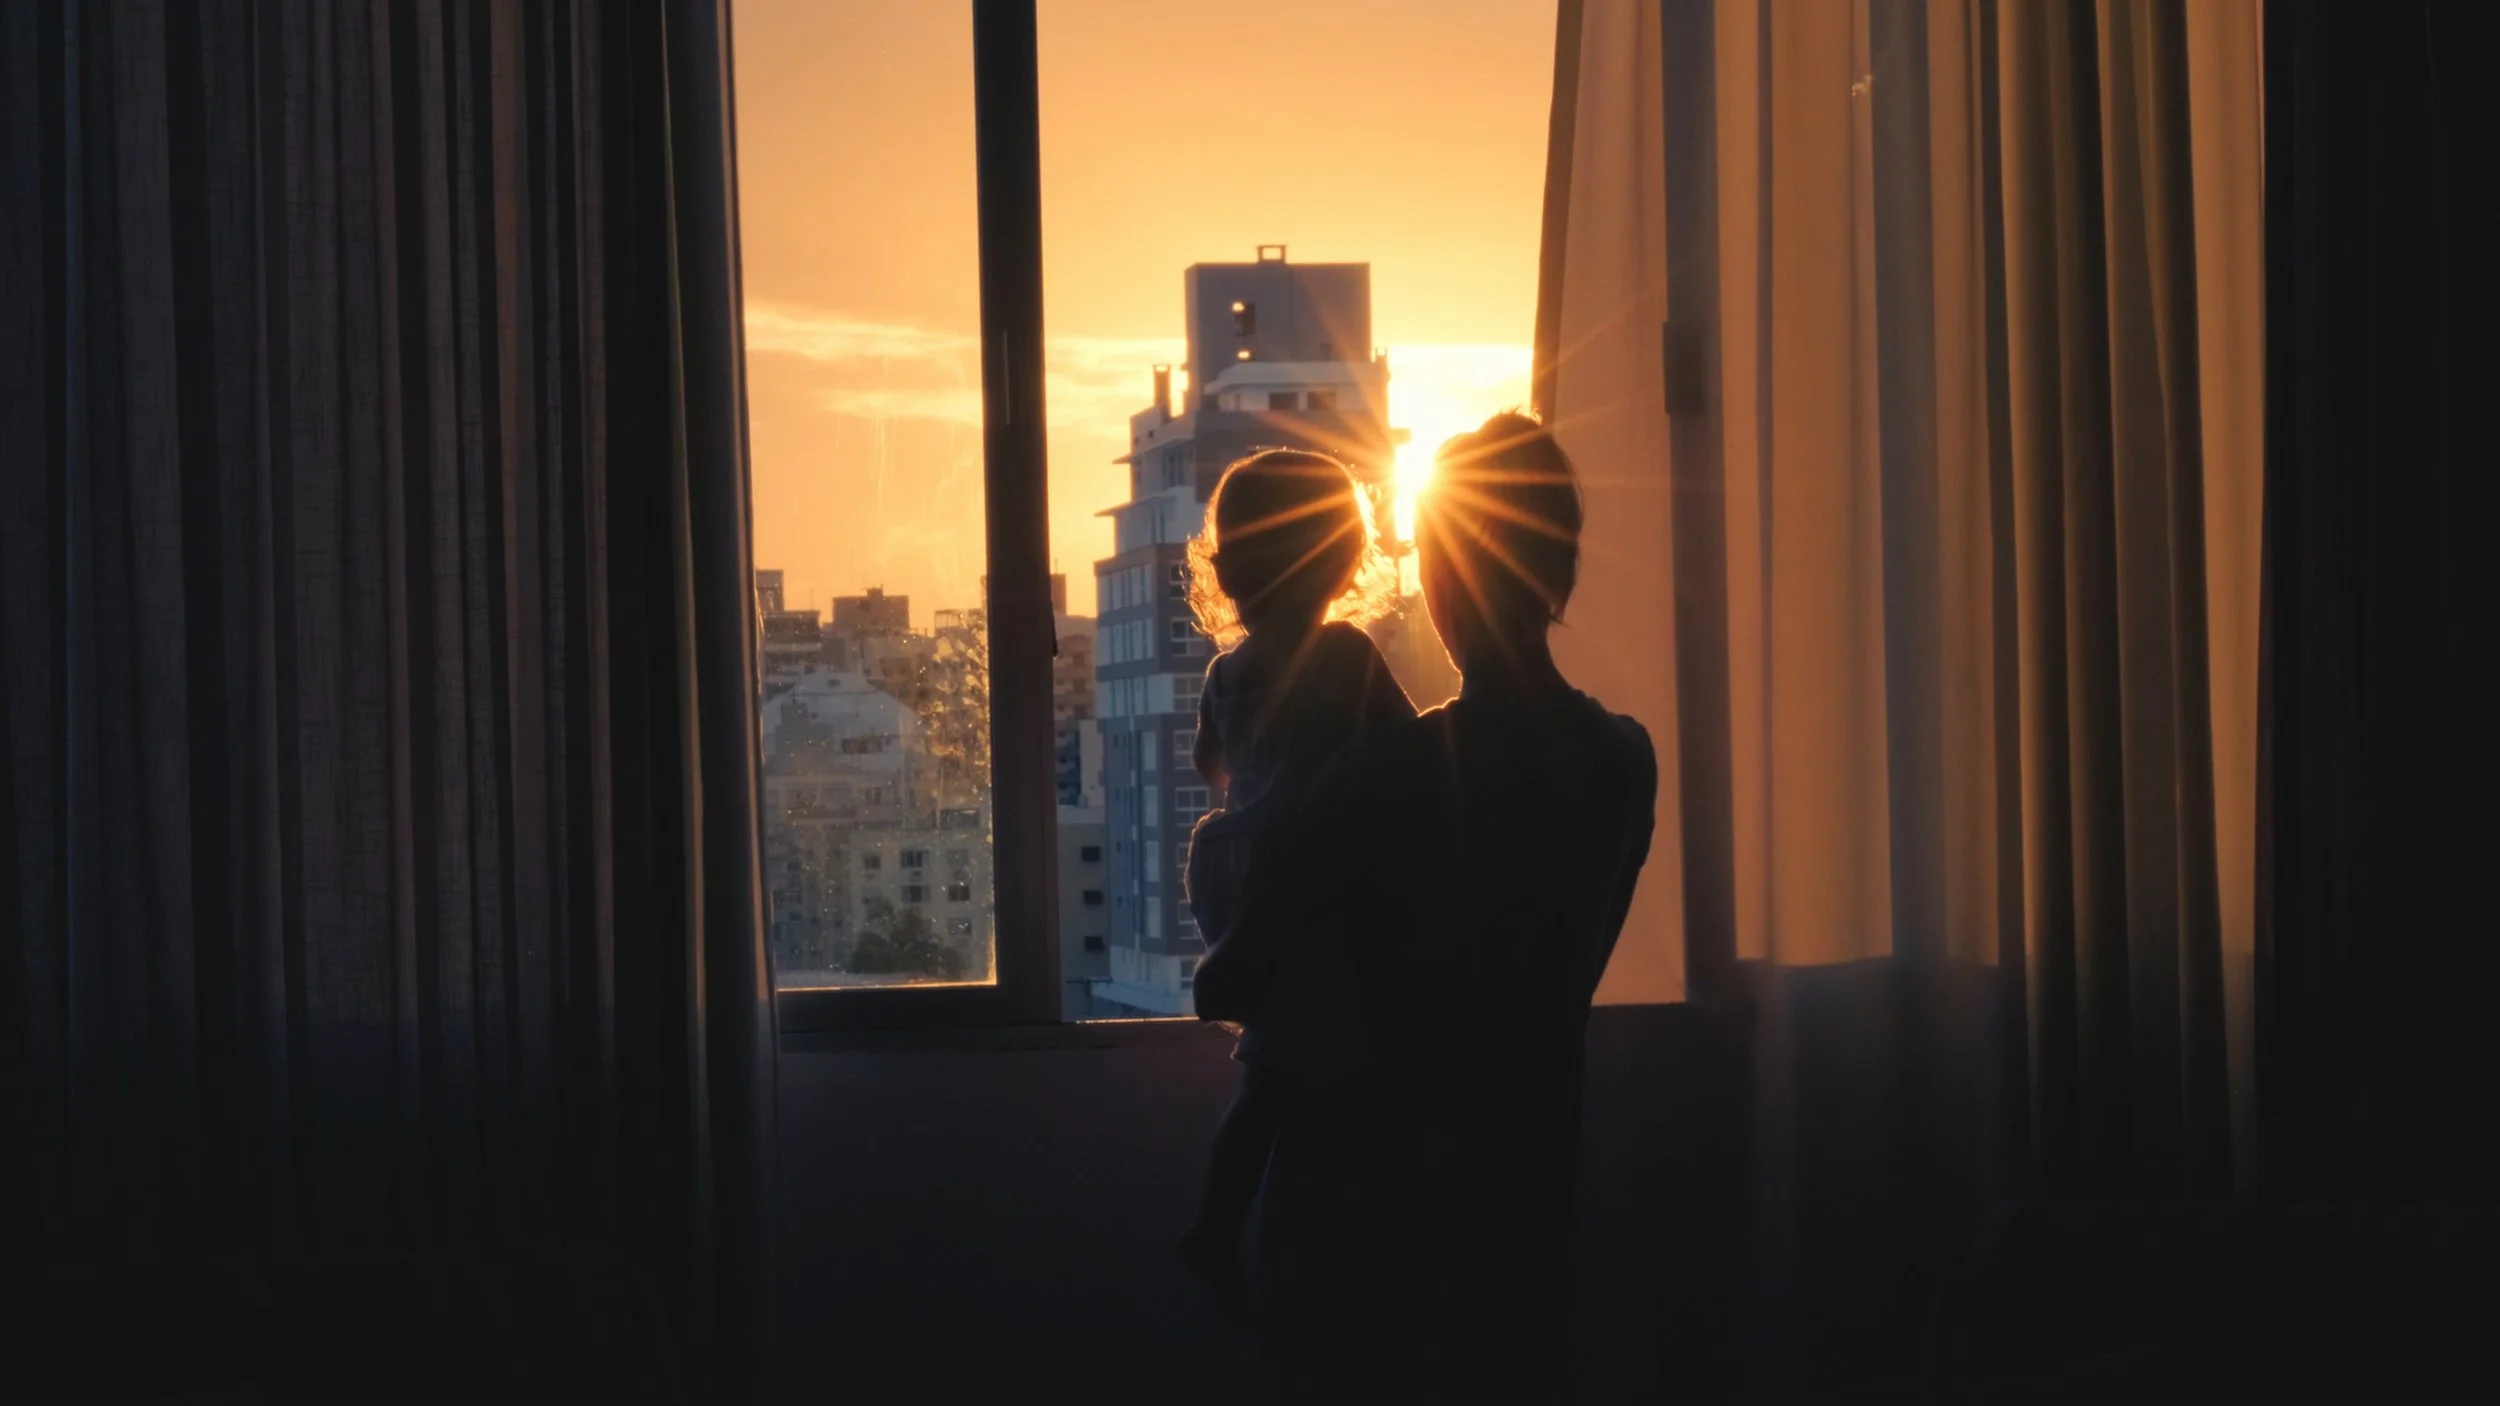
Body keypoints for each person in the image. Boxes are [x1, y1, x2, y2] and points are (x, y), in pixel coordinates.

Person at [1195, 412, 1658, 1401]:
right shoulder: (1626, 761)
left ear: (1436, 580)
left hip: (1354, 1206)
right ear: (1563, 569)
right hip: (1527, 1196)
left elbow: (1247, 961)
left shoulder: (1385, 771)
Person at [1170, 449, 1415, 1321]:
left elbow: (1213, 765)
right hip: (1298, 864)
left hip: (1231, 859)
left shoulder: (1225, 671)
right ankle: (1217, 1229)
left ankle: (1214, 1226)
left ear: (1228, 569)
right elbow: (1412, 748)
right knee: (1290, 1068)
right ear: (1344, 557)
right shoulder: (1345, 655)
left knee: (1273, 1066)